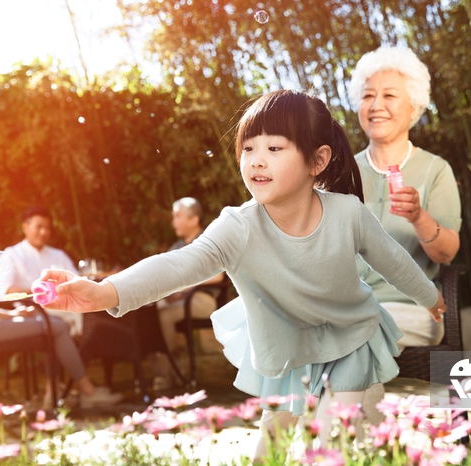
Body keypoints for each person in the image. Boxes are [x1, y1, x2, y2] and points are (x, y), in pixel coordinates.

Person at [38, 90, 446, 459]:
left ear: (317, 161)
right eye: (248, 148)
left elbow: (391, 259)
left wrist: (429, 295)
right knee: (271, 446)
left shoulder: (348, 214)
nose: (256, 160)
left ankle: (368, 429)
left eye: (274, 147)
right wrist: (105, 292)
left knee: (332, 443)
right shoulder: (238, 226)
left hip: (351, 339)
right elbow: (179, 264)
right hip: (288, 349)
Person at [348, 46, 462, 425]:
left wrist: (418, 216)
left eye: (389, 95)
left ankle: (359, 448)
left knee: (354, 339)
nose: (376, 104)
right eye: (367, 95)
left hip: (413, 309)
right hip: (347, 307)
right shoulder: (340, 172)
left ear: (414, 107)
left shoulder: (434, 171)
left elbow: (446, 253)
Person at [0, 193, 122, 409]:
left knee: (52, 325)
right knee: (55, 325)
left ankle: (57, 391)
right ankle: (86, 390)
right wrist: (13, 315)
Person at [153, 197, 225, 389]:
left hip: (202, 300)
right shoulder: (176, 247)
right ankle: (173, 371)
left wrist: (184, 288)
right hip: (179, 301)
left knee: (164, 316)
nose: (173, 221)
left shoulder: (208, 241)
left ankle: (165, 375)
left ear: (194, 220)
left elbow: (218, 277)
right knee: (151, 311)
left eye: (177, 216)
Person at [0, 206, 83, 337]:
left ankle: (82, 341)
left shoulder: (58, 255)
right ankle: (82, 341)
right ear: (25, 227)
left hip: (63, 305)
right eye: (39, 227)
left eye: (47, 228)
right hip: (32, 311)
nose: (43, 232)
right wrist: (39, 290)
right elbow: (4, 292)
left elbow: (77, 280)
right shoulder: (11, 255)